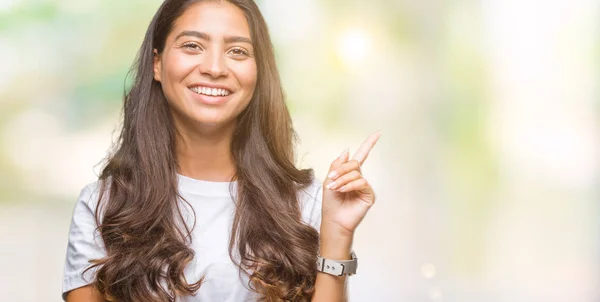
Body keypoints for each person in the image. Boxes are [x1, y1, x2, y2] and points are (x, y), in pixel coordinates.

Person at [62, 0, 381, 301]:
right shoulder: (103, 206)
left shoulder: (306, 204)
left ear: (258, 72)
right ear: (157, 64)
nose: (214, 67)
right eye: (192, 46)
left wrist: (337, 235)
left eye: (237, 51)